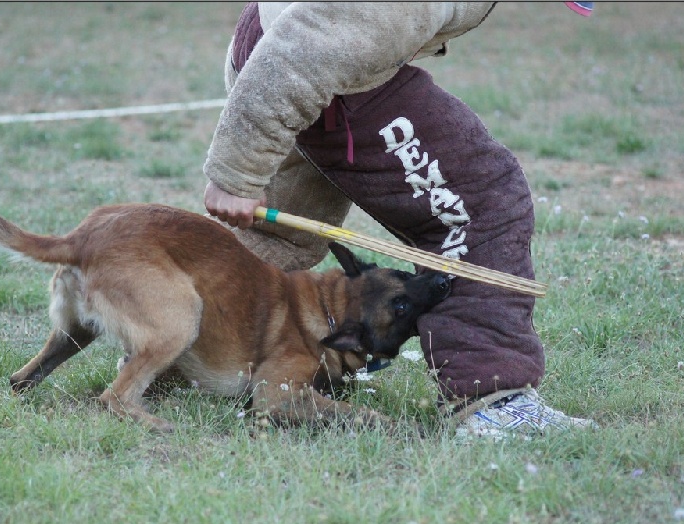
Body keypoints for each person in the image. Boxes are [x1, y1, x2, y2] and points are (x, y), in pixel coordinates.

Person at [203, 2, 597, 439]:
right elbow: (308, 43)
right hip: (300, 64)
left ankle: (189, 348)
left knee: (282, 238)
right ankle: (492, 400)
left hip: (293, 48)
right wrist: (238, 172)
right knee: (479, 205)